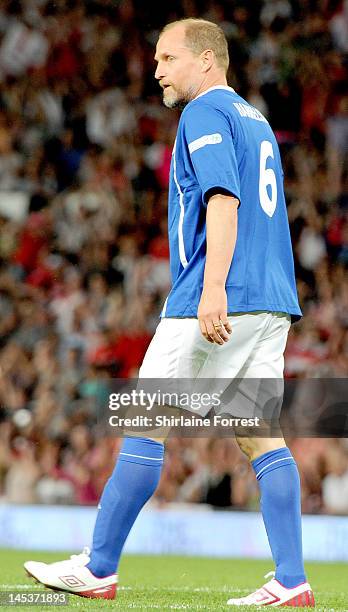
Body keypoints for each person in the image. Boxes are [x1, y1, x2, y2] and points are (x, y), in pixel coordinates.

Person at [24, 18, 315, 607]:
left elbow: (224, 201)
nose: (157, 69)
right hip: (273, 300)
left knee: (145, 417)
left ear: (206, 61)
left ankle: (99, 567)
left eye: (167, 57)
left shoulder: (204, 113)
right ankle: (291, 580)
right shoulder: (255, 121)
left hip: (221, 296)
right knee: (259, 438)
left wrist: (212, 290)